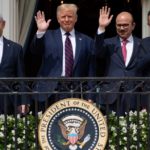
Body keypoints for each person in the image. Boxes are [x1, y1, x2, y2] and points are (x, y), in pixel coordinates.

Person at [30, 3, 95, 110]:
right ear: (58, 19)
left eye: (70, 16)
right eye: (63, 17)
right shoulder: (47, 36)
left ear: (76, 18)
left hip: (75, 92)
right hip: (48, 91)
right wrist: (41, 31)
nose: (66, 19)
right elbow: (35, 50)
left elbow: (91, 71)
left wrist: (90, 96)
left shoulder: (87, 41)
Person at [95, 6, 141, 115]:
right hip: (111, 95)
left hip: (134, 95)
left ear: (133, 26)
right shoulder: (108, 43)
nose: (121, 28)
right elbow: (97, 52)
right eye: (119, 25)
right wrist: (101, 28)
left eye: (125, 25)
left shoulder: (141, 44)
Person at [0, 15, 29, 114]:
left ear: (3, 24)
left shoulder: (15, 48)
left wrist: (24, 101)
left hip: (9, 101)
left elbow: (21, 76)